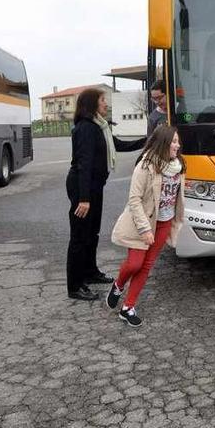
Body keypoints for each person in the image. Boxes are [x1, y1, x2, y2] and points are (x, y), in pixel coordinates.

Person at [66, 88, 145, 301]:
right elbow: (84, 164)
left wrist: (147, 141)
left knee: (92, 233)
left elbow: (118, 145)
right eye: (103, 100)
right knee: (80, 237)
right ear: (92, 103)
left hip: (94, 186)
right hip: (83, 188)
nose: (106, 104)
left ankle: (90, 273)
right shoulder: (85, 129)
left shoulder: (100, 127)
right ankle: (75, 286)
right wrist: (83, 199)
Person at [107, 125, 186, 327]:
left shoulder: (179, 165)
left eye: (178, 141)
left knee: (147, 265)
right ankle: (118, 285)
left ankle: (128, 307)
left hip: (165, 222)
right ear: (163, 143)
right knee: (135, 264)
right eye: (173, 141)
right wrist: (144, 229)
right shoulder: (146, 165)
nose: (177, 145)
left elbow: (176, 195)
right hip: (142, 222)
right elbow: (134, 199)